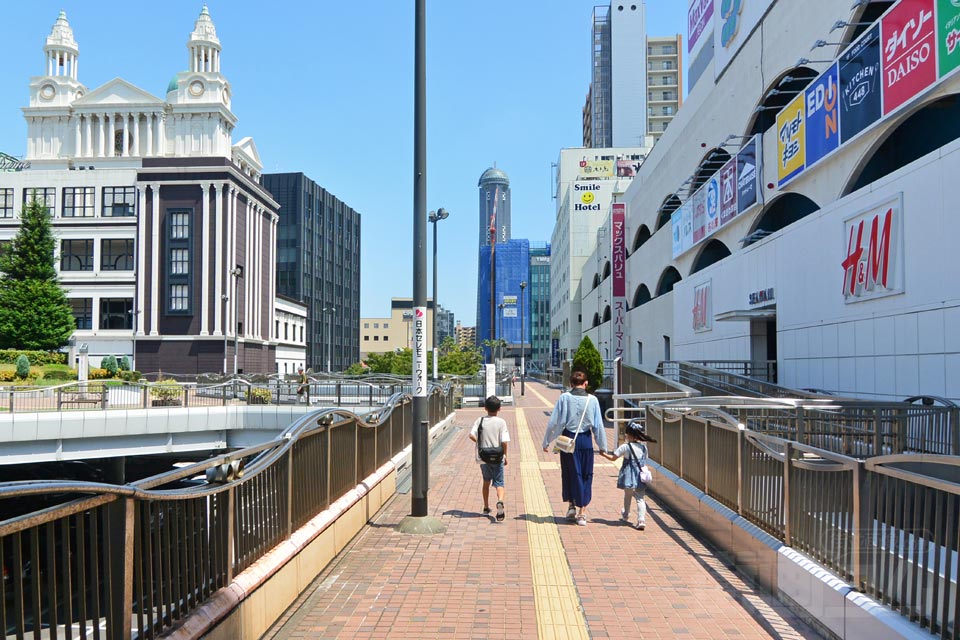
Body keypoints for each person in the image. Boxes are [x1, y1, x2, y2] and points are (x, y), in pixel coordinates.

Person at [542, 369, 607, 526]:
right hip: (585, 440)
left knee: (569, 472)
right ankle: (582, 512)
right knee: (586, 474)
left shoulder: (564, 397)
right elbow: (598, 426)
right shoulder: (593, 400)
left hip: (567, 439)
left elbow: (554, 422)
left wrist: (547, 441)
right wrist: (602, 446)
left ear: (570, 384)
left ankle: (571, 505)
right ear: (586, 384)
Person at [599, 421, 656, 530]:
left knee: (628, 495)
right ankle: (641, 520)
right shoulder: (644, 448)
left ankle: (626, 514)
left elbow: (613, 458)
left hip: (629, 475)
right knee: (640, 498)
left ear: (629, 435)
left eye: (626, 434)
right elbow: (644, 460)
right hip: (640, 475)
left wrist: (603, 454)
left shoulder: (625, 447)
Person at [469, 395, 510, 521]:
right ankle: (500, 501)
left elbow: (471, 435)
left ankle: (486, 507)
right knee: (499, 483)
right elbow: (504, 441)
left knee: (486, 482)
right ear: (499, 409)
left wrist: (479, 443)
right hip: (498, 457)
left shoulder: (480, 420)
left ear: (485, 408)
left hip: (484, 457)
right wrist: (505, 455)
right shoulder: (501, 422)